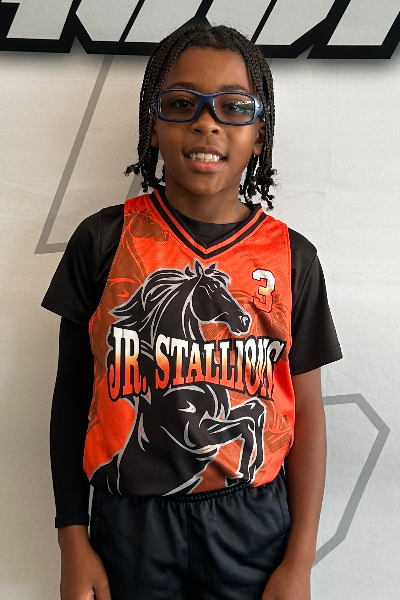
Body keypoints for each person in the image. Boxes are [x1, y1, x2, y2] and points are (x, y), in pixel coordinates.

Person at [42, 22, 342, 600]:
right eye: (182, 104)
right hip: (130, 520)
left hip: (253, 525)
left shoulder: (292, 258)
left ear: (260, 134)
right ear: (153, 126)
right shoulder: (103, 241)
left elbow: (307, 414)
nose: (207, 122)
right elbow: (70, 397)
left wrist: (300, 561)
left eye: (234, 107)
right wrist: (71, 538)